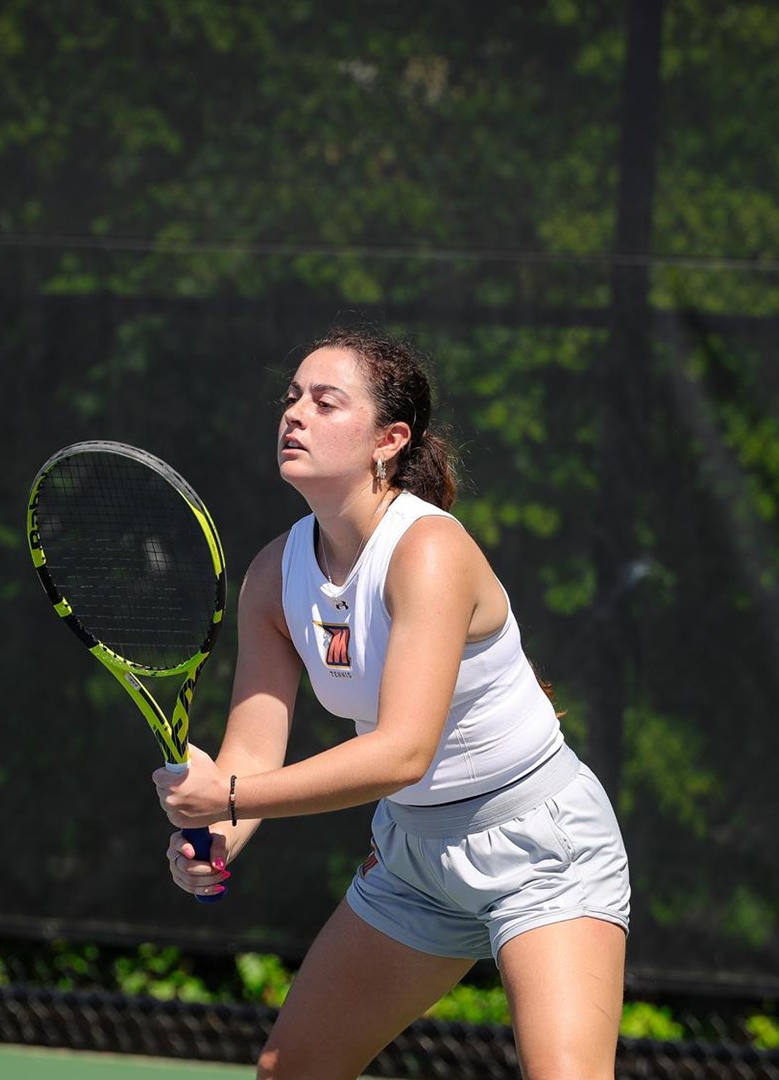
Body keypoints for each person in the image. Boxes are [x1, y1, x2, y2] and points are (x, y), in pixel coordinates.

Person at [151, 328, 631, 1080]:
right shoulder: (274, 576)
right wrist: (218, 830)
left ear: (389, 439)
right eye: (291, 398)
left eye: (324, 401)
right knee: (290, 1071)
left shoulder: (429, 551)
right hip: (413, 859)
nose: (294, 415)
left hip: (541, 848)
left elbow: (401, 752)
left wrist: (233, 796)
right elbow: (251, 748)